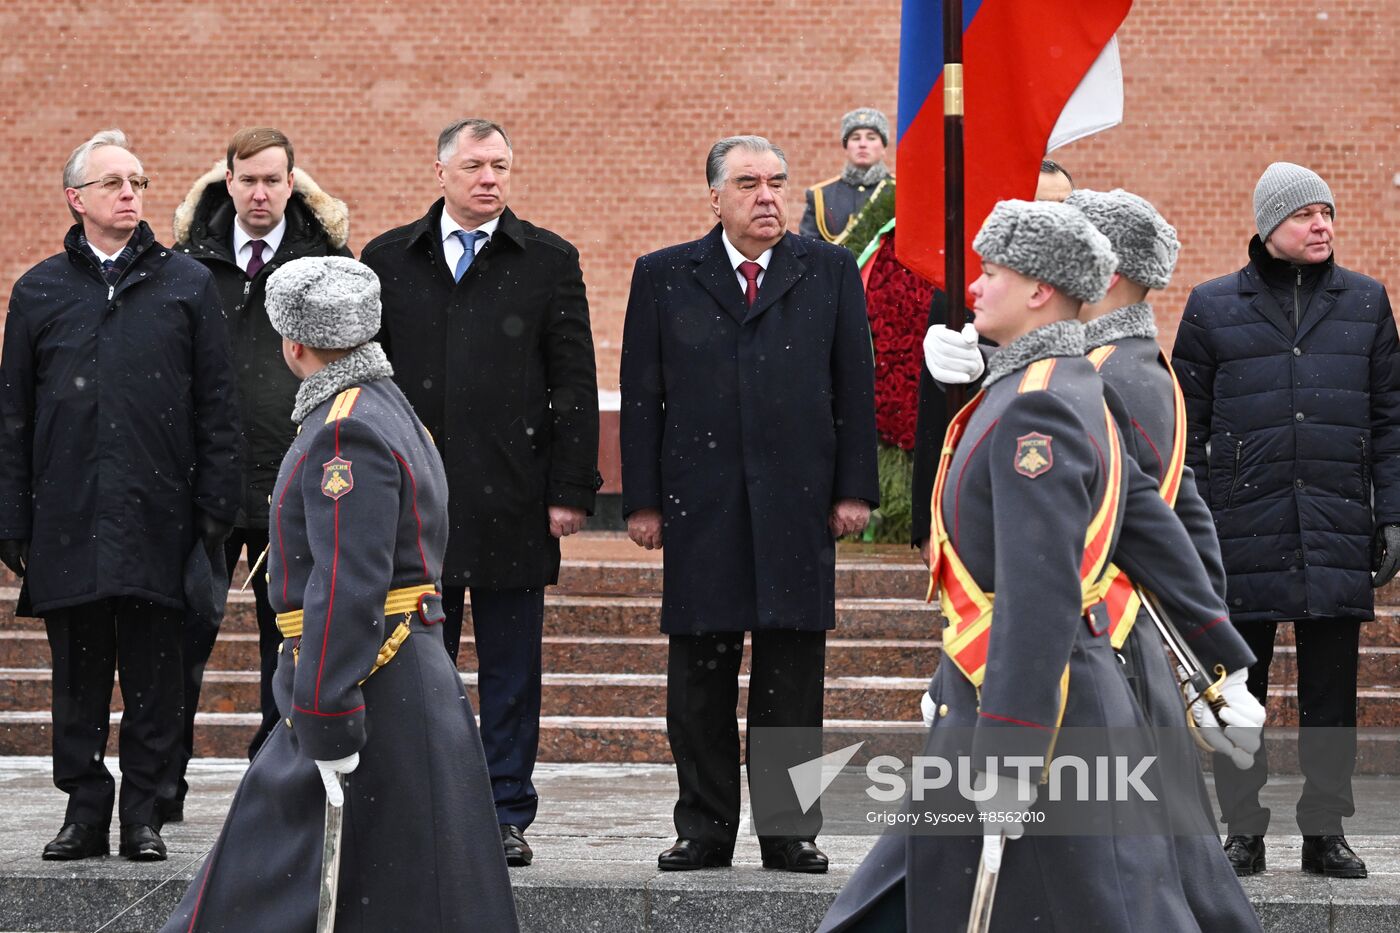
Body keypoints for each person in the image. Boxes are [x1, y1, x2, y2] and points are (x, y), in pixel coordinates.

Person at [819, 200, 1259, 932]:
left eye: (992, 272)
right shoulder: (1059, 383)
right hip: (1010, 686)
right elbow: (1146, 518)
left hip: (1042, 700)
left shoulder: (1039, 405)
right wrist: (1219, 651)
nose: (974, 287)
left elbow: (1041, 586)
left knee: (1112, 901)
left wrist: (1013, 750)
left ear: (1040, 291)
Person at [158, 256, 519, 933]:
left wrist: (323, 711)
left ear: (293, 343)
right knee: (410, 892)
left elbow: (350, 584)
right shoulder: (383, 404)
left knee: (263, 885)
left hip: (361, 680)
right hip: (392, 675)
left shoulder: (343, 428)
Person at [620, 135, 879, 873]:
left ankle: (789, 830)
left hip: (798, 504)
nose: (766, 196)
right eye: (747, 184)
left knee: (791, 679)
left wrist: (855, 487)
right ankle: (703, 827)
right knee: (700, 679)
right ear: (715, 196)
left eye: (776, 182)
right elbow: (642, 398)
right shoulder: (667, 275)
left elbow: (852, 387)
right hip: (701, 506)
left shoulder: (827, 271)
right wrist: (642, 500)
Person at [362, 118, 600, 866]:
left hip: (512, 498)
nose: (489, 178)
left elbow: (573, 381)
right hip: (412, 503)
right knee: (410, 662)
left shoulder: (549, 261)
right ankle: (418, 803)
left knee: (509, 668)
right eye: (474, 165)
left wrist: (569, 488)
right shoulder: (389, 259)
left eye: (500, 165)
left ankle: (503, 810)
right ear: (441, 172)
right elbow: (368, 379)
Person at [0, 129, 240, 862]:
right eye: (113, 183)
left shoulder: (186, 284)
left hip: (159, 519)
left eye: (137, 180)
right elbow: (14, 412)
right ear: (76, 199)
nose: (131, 193)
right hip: (69, 519)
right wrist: (13, 517)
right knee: (76, 679)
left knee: (156, 679)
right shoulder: (39, 290)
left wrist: (214, 511)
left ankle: (142, 813)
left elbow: (217, 406)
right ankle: (82, 808)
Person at [1172, 162, 1400, 879]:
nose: (1322, 225)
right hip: (1241, 528)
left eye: (1328, 213)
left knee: (1332, 693)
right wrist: (1198, 519)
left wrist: (1391, 514)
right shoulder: (1212, 308)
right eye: (1306, 214)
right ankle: (1243, 830)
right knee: (1239, 690)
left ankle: (1325, 831)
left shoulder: (1366, 303)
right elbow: (1184, 423)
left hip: (1335, 522)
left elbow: (1391, 420)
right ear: (1269, 225)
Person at [170, 127, 353, 810]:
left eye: (273, 180)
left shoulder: (329, 266)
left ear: (292, 183)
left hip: (298, 484)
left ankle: (281, 784)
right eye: (247, 179)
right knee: (183, 644)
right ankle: (162, 788)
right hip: (205, 488)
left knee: (293, 644)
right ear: (227, 181)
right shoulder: (186, 265)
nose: (260, 192)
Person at [909, 158, 1076, 561]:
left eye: (1064, 206)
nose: (1052, 218)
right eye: (1038, 206)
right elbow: (937, 419)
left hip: (1070, 506)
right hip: (985, 501)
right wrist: (928, 522)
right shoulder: (969, 293)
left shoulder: (1094, 295)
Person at [799, 108, 893, 244]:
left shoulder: (899, 192)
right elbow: (809, 251)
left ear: (884, 148)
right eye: (855, 138)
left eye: (871, 138)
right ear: (846, 148)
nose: (862, 144)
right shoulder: (820, 195)